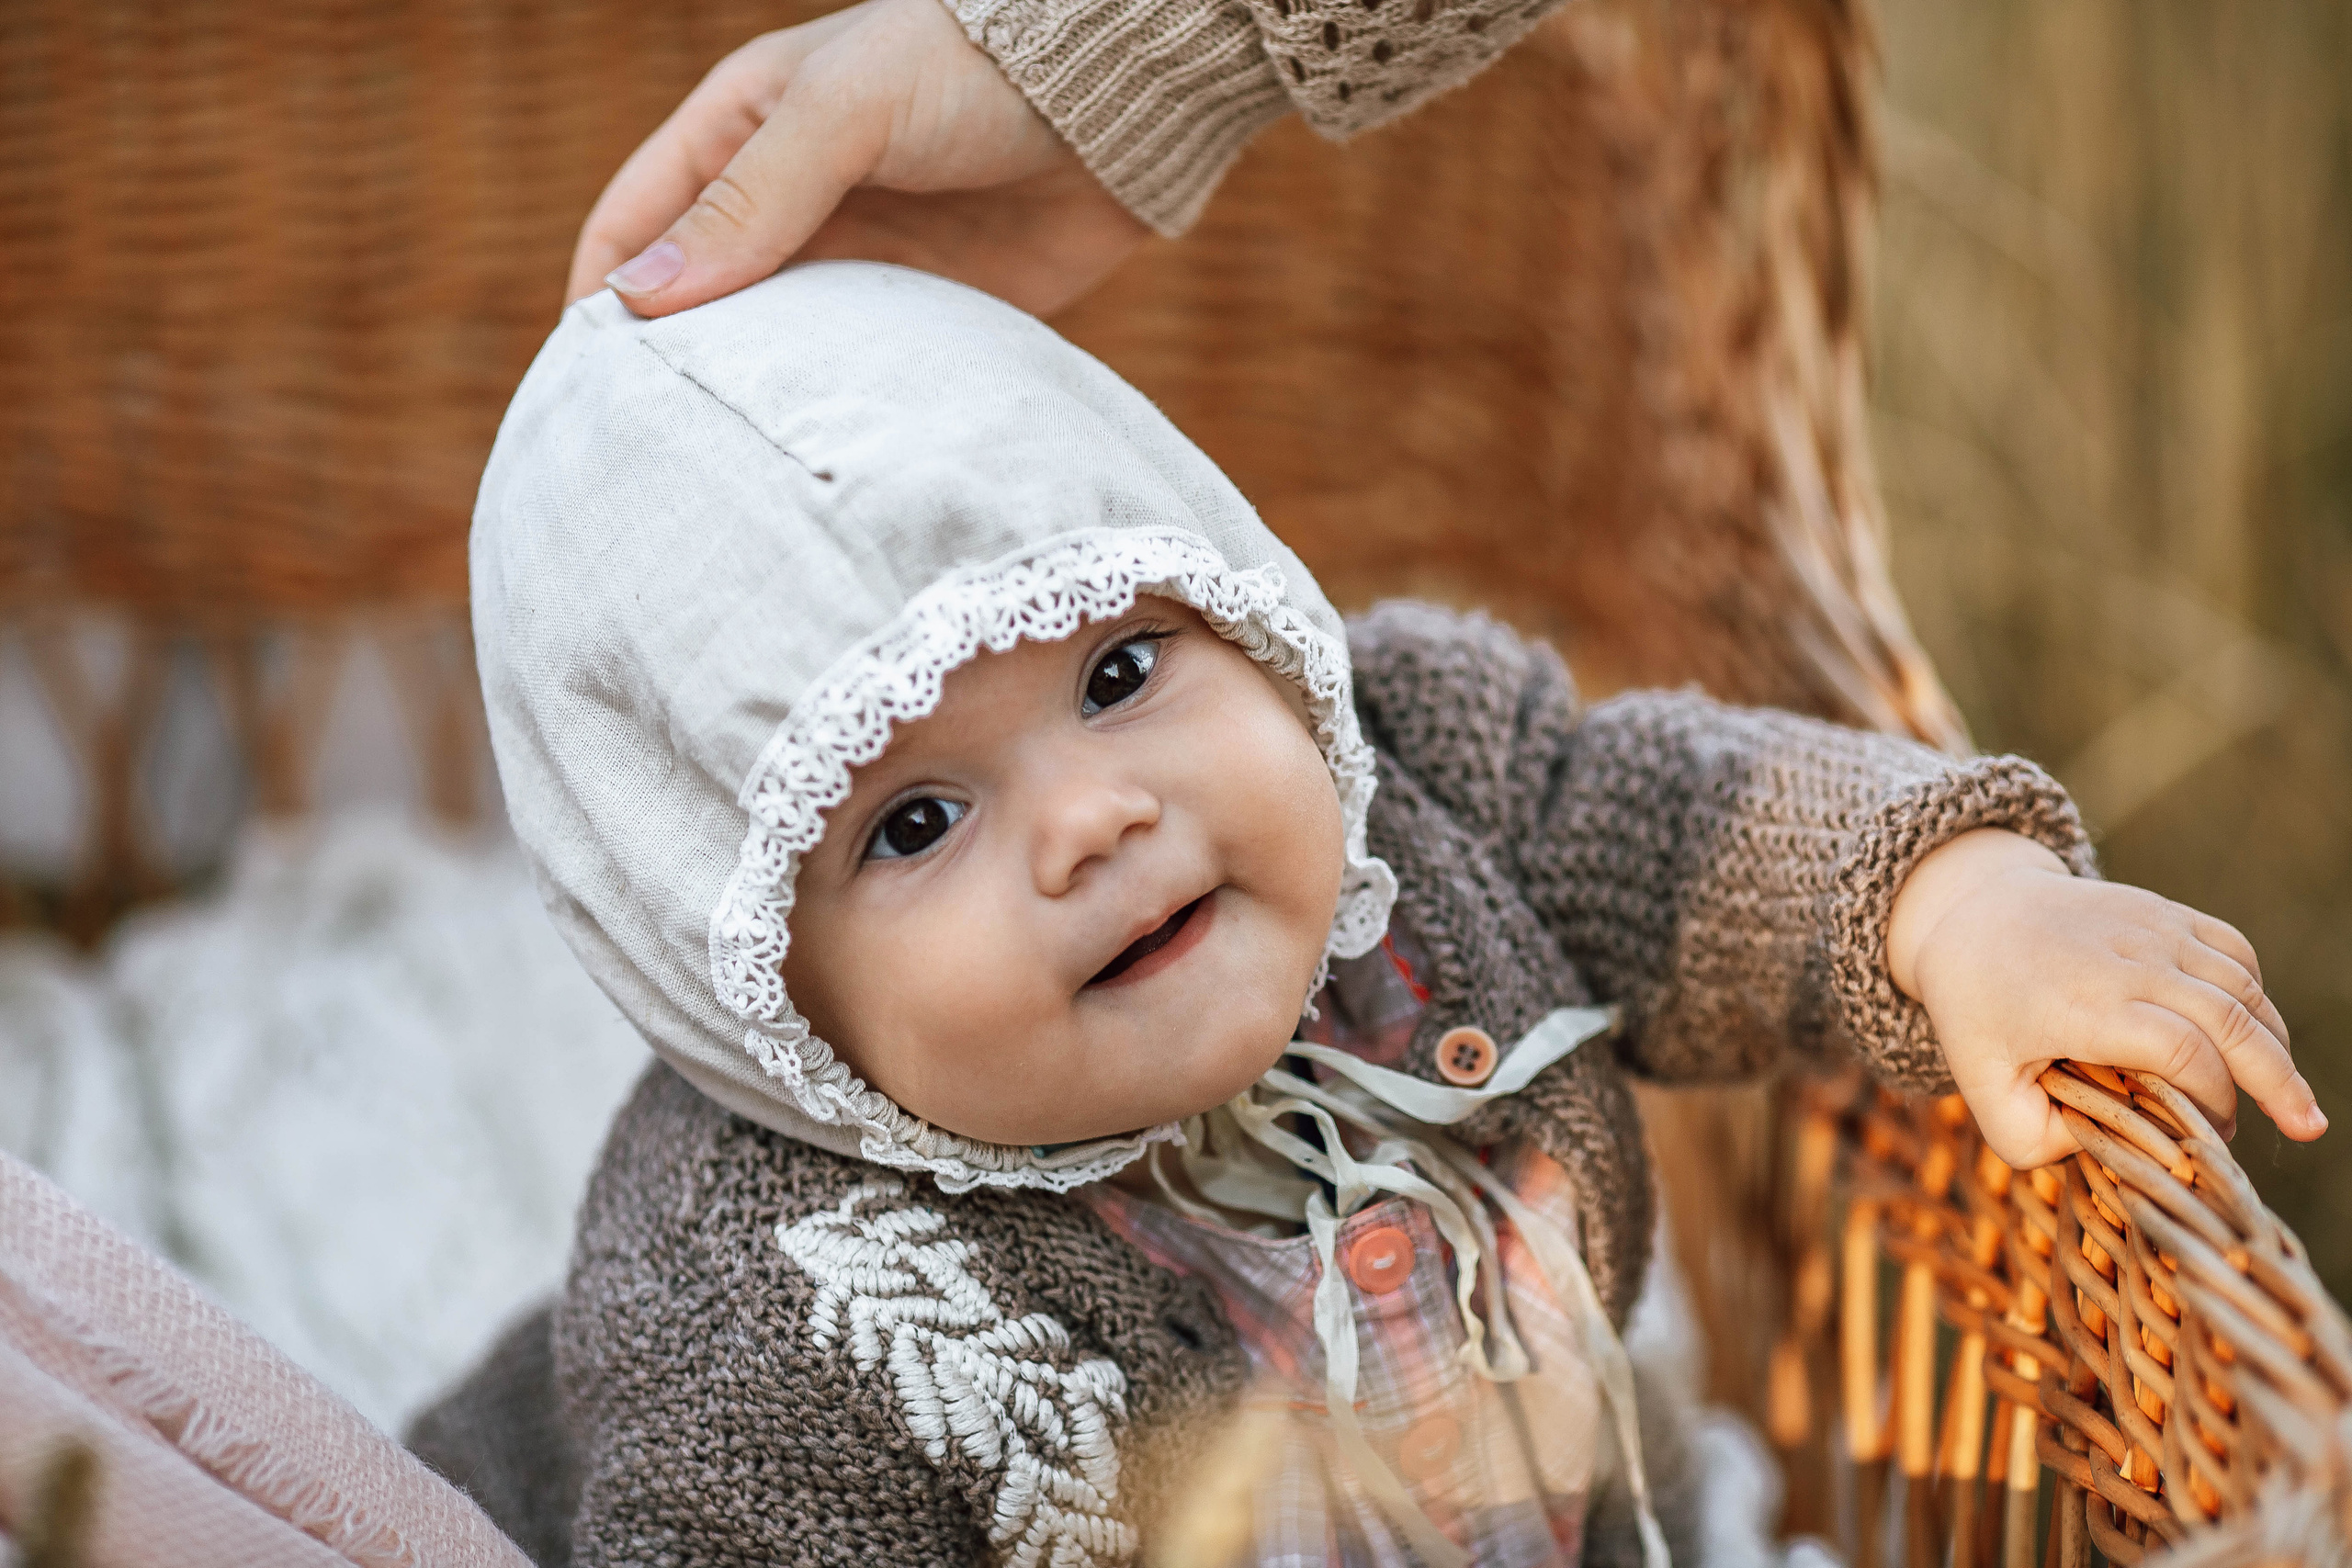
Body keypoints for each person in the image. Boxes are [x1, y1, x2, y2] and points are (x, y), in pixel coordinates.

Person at [428, 258, 2321, 1568]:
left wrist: (1951, 904)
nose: (1095, 816)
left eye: (1117, 671)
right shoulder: (752, 1312)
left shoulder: (1409, 768)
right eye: (914, 818)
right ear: (755, 980)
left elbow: (1690, 821)